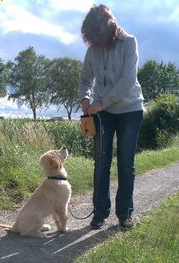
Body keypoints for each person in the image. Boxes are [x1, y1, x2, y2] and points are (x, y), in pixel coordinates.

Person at [78, 4, 144, 230]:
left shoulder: (130, 43)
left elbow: (127, 81)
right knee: (101, 162)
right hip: (101, 112)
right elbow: (85, 80)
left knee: (125, 163)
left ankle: (125, 214)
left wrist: (101, 103)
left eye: (97, 36)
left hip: (130, 109)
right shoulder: (93, 48)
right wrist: (85, 100)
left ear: (108, 27)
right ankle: (100, 212)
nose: (94, 42)